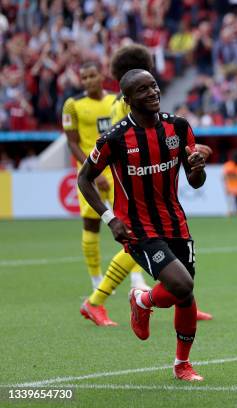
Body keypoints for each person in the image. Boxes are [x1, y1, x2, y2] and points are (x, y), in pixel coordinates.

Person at [78, 69, 206, 381]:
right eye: (143, 89)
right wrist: (110, 219)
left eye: (154, 86)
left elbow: (196, 181)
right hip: (137, 228)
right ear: (128, 99)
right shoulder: (116, 138)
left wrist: (197, 168)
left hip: (175, 221)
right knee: (183, 286)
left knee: (184, 295)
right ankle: (143, 300)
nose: (153, 92)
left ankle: (178, 360)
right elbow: (85, 178)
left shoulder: (178, 127)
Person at [82, 44, 213, 322]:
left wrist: (186, 151)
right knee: (137, 245)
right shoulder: (123, 111)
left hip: (160, 202)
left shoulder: (155, 111)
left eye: (153, 83)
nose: (152, 90)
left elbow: (158, 139)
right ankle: (100, 300)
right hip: (127, 189)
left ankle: (179, 297)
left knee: (174, 274)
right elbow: (125, 143)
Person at [63, 61, 150, 326]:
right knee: (92, 225)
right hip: (92, 173)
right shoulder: (72, 105)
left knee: (133, 224)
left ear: (102, 75)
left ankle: (137, 279)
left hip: (118, 173)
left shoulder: (116, 101)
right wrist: (92, 171)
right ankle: (96, 281)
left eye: (92, 75)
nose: (88, 80)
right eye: (84, 76)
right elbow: (72, 143)